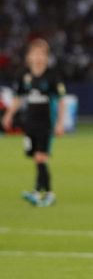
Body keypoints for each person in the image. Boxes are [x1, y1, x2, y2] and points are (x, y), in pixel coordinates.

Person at [2, 38, 66, 207]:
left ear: (46, 57)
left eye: (41, 54)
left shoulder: (52, 76)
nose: (37, 57)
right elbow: (18, 98)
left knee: (40, 157)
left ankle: (45, 193)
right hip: (29, 123)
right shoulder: (24, 75)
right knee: (36, 158)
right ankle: (40, 192)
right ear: (28, 56)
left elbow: (61, 101)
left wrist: (60, 123)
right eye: (34, 53)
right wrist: (8, 115)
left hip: (46, 123)